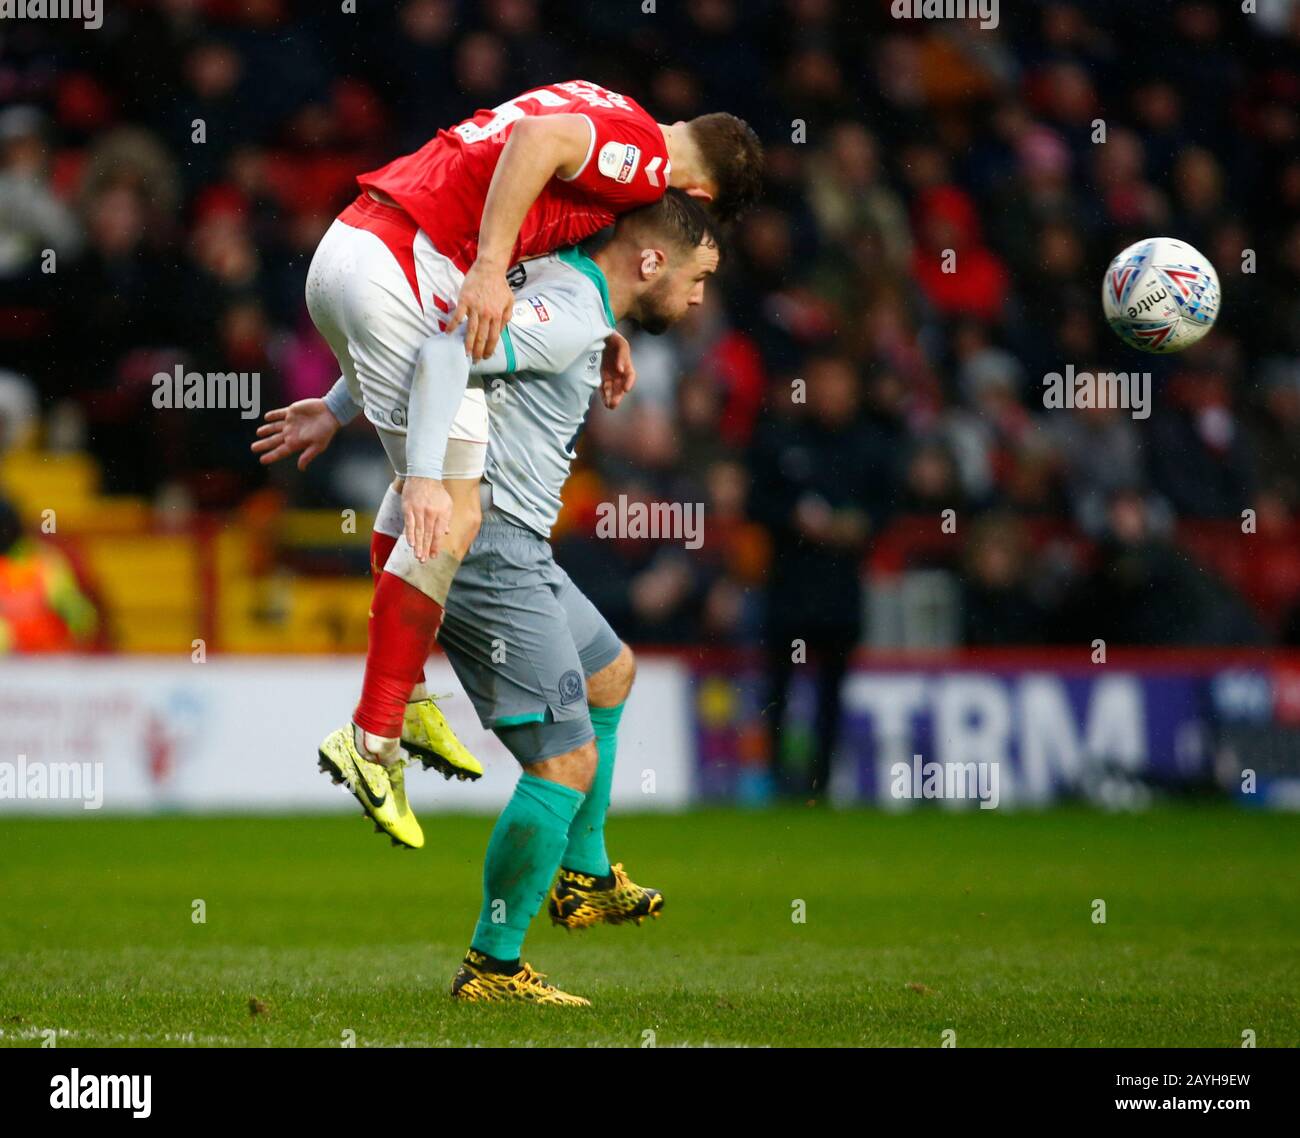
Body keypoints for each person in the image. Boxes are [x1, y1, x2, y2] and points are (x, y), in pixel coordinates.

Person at [253, 80, 761, 847]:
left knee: (423, 497)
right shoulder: (643, 160)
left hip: (359, 248)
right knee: (448, 506)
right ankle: (374, 737)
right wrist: (489, 264)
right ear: (695, 190)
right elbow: (535, 147)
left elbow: (465, 295)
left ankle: (405, 695)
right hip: (402, 258)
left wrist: (338, 404)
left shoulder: (609, 108)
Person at [267, 189, 720, 1003]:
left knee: (612, 673)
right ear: (651, 260)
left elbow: (436, 328)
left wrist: (340, 407)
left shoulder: (553, 277)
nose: (698, 299)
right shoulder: (573, 309)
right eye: (696, 277)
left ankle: (582, 873)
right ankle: (493, 966)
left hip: (520, 536)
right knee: (565, 760)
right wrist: (431, 478)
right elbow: (444, 352)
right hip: (489, 544)